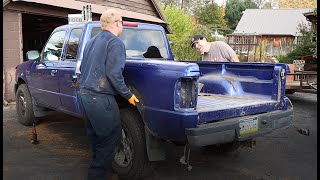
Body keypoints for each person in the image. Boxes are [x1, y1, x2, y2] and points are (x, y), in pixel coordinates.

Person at [77, 9, 139, 180]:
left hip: (85, 96)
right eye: (122, 24)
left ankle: (100, 169)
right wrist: (128, 95)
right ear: (118, 24)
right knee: (110, 139)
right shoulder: (116, 43)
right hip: (100, 98)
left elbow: (83, 69)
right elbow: (114, 74)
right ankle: (96, 175)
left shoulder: (91, 42)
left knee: (96, 138)